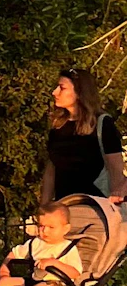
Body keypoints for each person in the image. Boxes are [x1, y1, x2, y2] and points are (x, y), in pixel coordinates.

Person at [41, 68, 126, 206]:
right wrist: (44, 205)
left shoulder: (102, 124)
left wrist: (116, 204)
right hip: (65, 206)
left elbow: (115, 171)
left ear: (79, 93)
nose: (54, 92)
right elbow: (51, 170)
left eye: (62, 88)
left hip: (97, 206)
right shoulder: (58, 126)